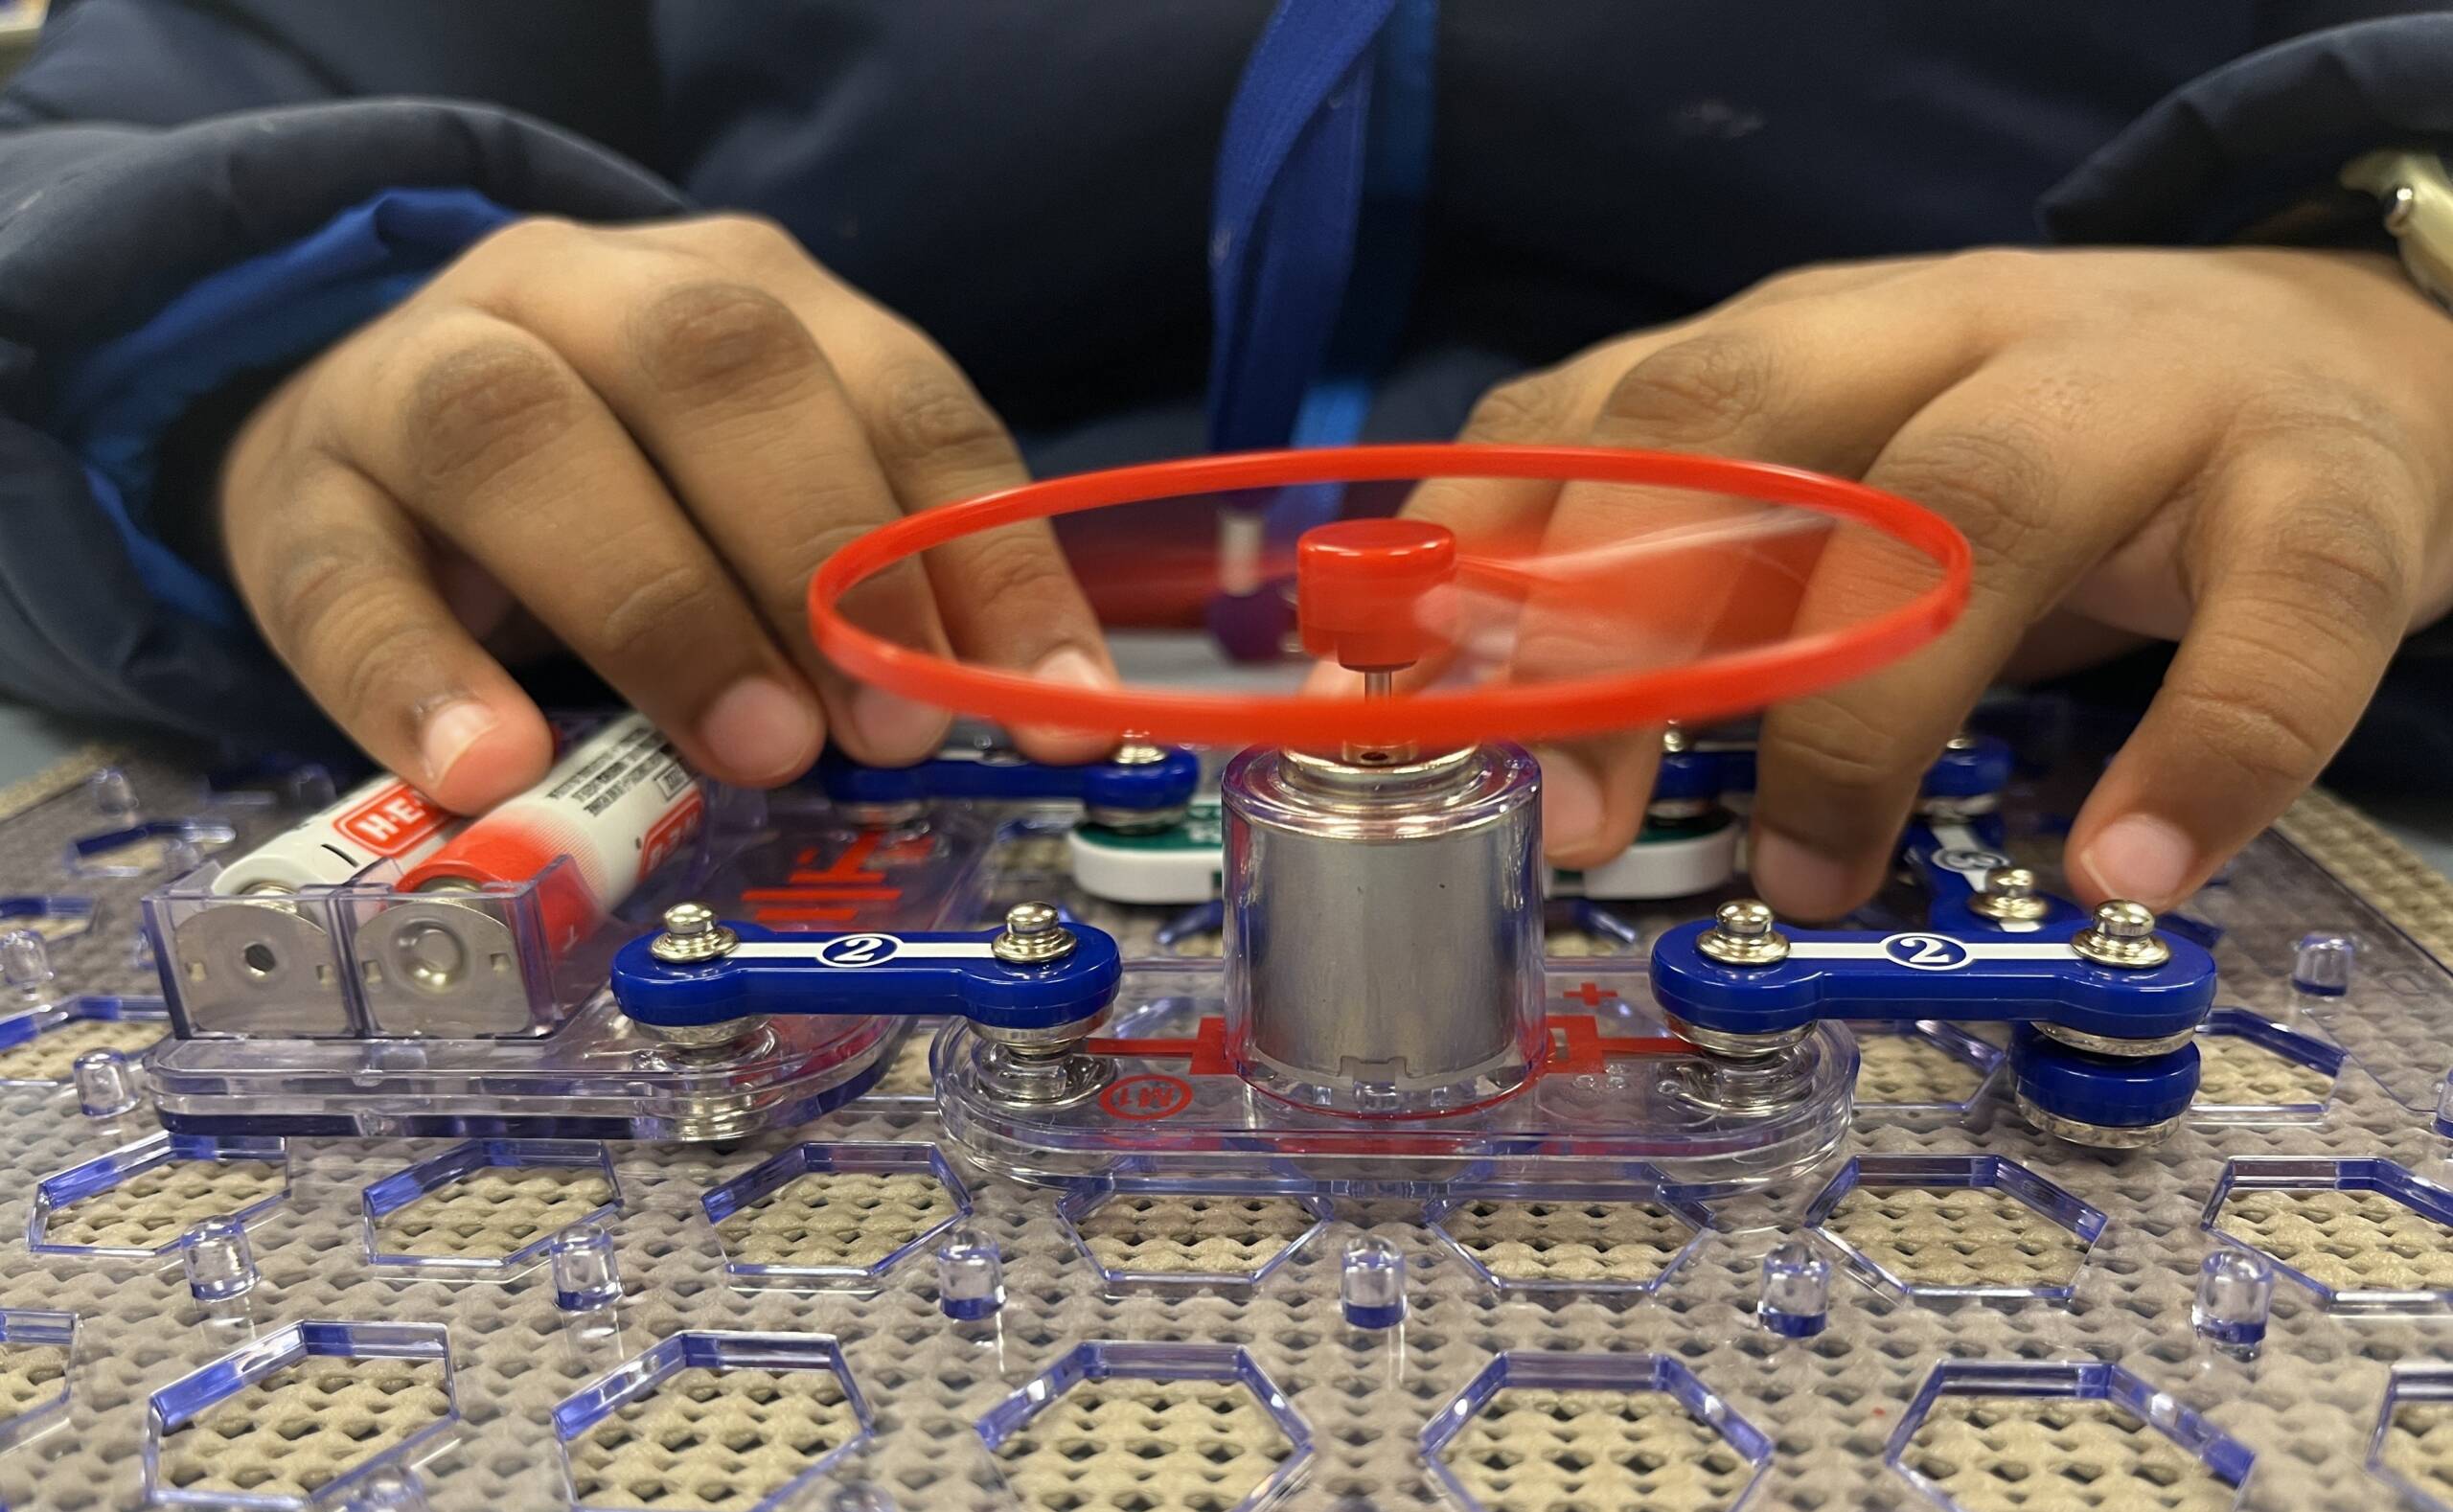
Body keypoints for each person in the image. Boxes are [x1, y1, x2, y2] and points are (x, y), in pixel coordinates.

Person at [2, 0, 2450, 922]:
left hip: (2055, 752)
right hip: (780, 769)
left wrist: (2396, 287)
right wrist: (248, 371)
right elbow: (128, 146)